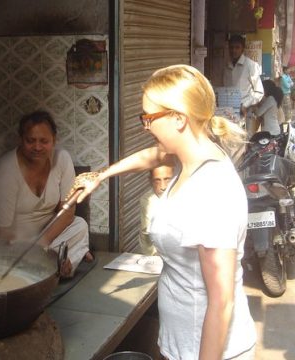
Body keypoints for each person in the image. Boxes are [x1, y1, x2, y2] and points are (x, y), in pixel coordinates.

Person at [74, 65, 256, 359]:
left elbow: (222, 302)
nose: (145, 126)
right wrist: (100, 175)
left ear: (179, 119)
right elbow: (152, 156)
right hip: (180, 340)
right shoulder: (191, 154)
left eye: (148, 117)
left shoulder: (212, 191)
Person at [0, 110, 92, 278]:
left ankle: (51, 266)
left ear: (54, 140)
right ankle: (60, 264)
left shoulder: (62, 159)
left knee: (79, 225)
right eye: (30, 141)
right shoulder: (6, 170)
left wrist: (42, 244)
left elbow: (67, 212)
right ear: (20, 139)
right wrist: (28, 248)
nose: (37, 147)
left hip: (48, 236)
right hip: (18, 241)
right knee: (12, 254)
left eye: (44, 141)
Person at [223, 34, 264, 136]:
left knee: (245, 141)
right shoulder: (226, 66)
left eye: (237, 47)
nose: (234, 50)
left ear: (242, 49)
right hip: (228, 113)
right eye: (231, 47)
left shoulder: (250, 65)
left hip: (245, 112)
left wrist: (245, 104)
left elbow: (259, 92)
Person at [139, 164, 174, 256]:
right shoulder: (148, 200)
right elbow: (147, 232)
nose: (163, 187)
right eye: (157, 180)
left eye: (167, 179)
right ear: (150, 181)